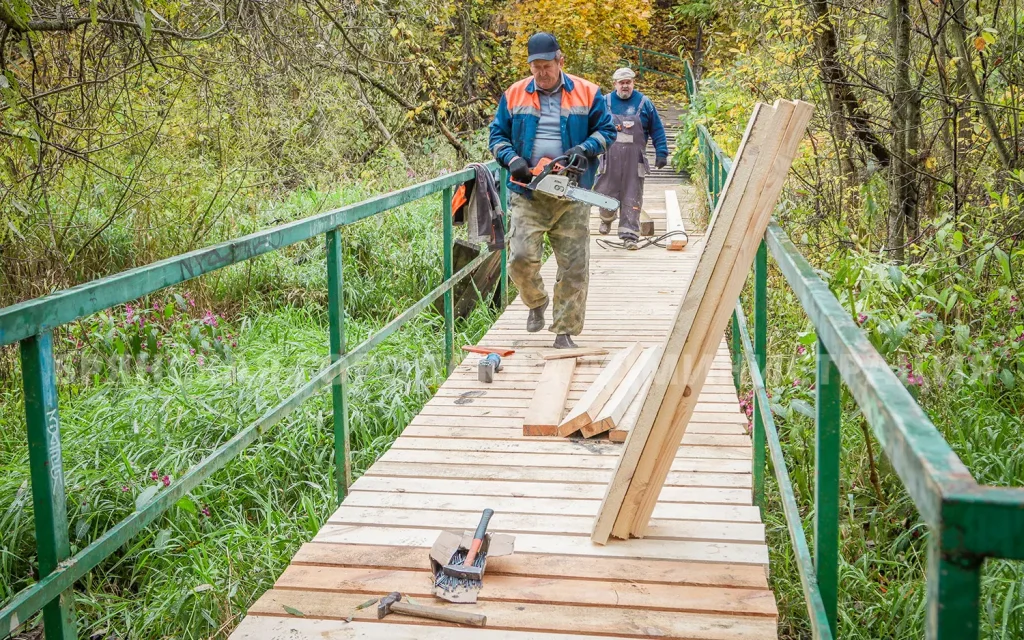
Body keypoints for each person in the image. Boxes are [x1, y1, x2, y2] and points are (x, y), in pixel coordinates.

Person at [488, 32, 616, 349]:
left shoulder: (587, 92)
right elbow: (496, 137)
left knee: (574, 266)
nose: (542, 73)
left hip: (572, 192)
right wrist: (512, 159)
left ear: (560, 61)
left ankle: (564, 332)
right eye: (536, 67)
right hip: (528, 191)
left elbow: (608, 130)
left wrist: (584, 150)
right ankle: (536, 301)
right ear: (530, 66)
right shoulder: (514, 94)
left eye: (547, 66)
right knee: (519, 258)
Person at [594, 67, 670, 249]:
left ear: (633, 83)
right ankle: (606, 218)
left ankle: (630, 236)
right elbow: (592, 126)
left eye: (628, 82)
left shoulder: (645, 103)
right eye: (622, 83)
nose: (625, 86)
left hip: (634, 161)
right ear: (615, 84)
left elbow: (657, 129)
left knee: (632, 197)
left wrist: (662, 152)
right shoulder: (604, 102)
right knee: (604, 192)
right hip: (609, 159)